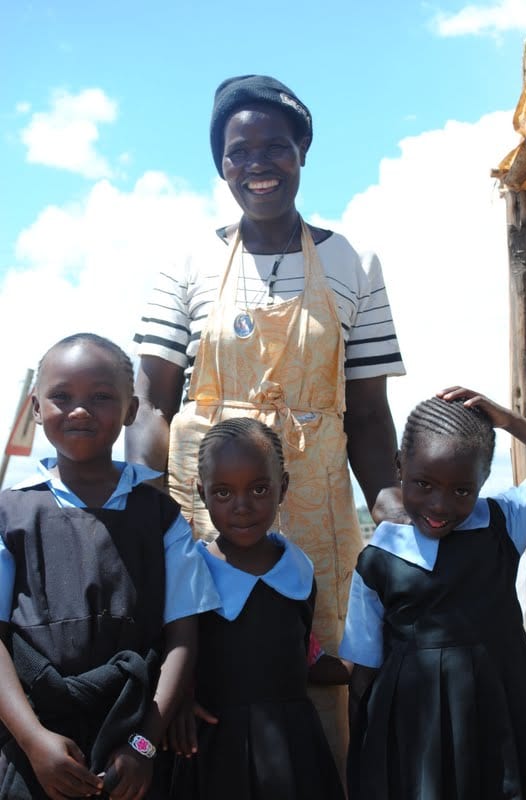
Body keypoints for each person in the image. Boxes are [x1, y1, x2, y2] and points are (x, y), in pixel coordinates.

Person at [128, 73, 405, 763]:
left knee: (318, 673)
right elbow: (155, 403)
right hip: (205, 509)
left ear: (302, 153)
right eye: (238, 151)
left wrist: (398, 519)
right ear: (221, 165)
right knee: (206, 670)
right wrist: (146, 517)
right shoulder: (187, 262)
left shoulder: (353, 262)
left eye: (275, 147)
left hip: (316, 514)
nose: (258, 164)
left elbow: (368, 416)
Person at [0, 333, 221, 800]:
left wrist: (144, 743)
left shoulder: (161, 517)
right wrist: (32, 740)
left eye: (101, 397)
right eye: (62, 397)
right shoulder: (10, 514)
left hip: (133, 740)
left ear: (131, 409)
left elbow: (182, 637)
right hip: (33, 742)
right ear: (36, 408)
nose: (80, 410)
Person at [340, 388, 526, 800]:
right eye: (424, 484)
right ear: (398, 467)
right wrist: (365, 746)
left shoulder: (503, 524)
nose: (439, 504)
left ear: (483, 480)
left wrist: (511, 422)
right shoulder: (378, 556)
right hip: (415, 729)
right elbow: (365, 667)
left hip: (502, 714)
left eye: (462, 490)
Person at [168, 417, 345, 799]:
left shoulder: (297, 568)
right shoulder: (192, 573)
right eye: (223, 493)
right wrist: (177, 699)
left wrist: (363, 666)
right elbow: (174, 655)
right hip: (217, 748)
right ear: (202, 492)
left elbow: (304, 653)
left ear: (284, 487)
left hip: (293, 746)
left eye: (260, 489)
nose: (243, 506)